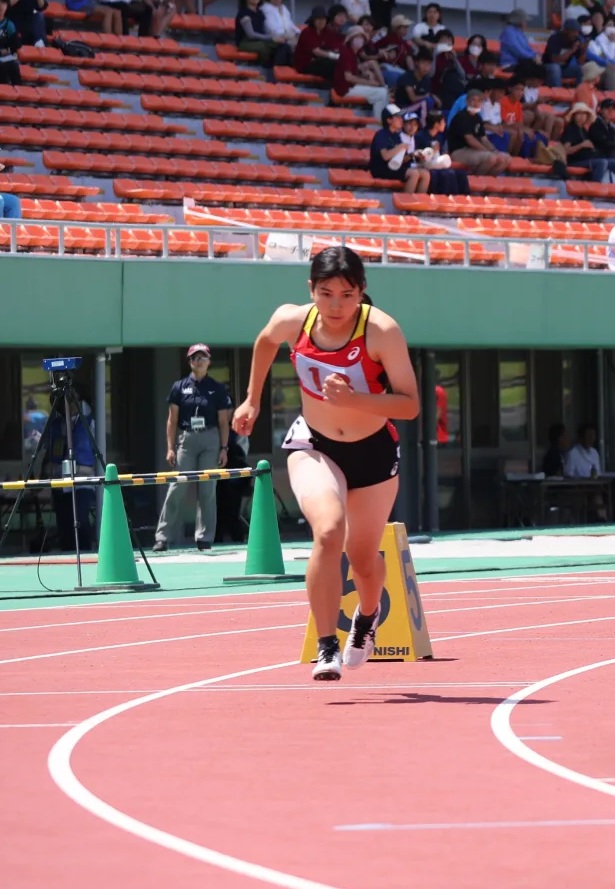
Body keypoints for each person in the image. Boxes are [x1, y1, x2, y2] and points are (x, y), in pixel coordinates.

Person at [231, 247, 420, 682]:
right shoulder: (294, 320)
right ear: (311, 290)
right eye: (326, 293)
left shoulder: (382, 331)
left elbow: (409, 405)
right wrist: (252, 399)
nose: (336, 305)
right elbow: (264, 342)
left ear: (362, 292)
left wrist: (357, 400)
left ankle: (367, 619)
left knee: (362, 559)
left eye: (347, 295)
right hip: (314, 444)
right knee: (329, 530)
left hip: (372, 450)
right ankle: (326, 645)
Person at [155, 344, 234, 552]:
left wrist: (224, 447)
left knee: (208, 489)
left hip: (210, 439)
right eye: (194, 358)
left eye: (203, 357)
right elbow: (171, 420)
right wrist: (170, 448)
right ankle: (163, 537)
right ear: (189, 362)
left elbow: (224, 421)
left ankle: (204, 537)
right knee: (177, 486)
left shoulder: (217, 388)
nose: (198, 361)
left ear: (209, 361)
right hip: (187, 438)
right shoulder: (179, 387)